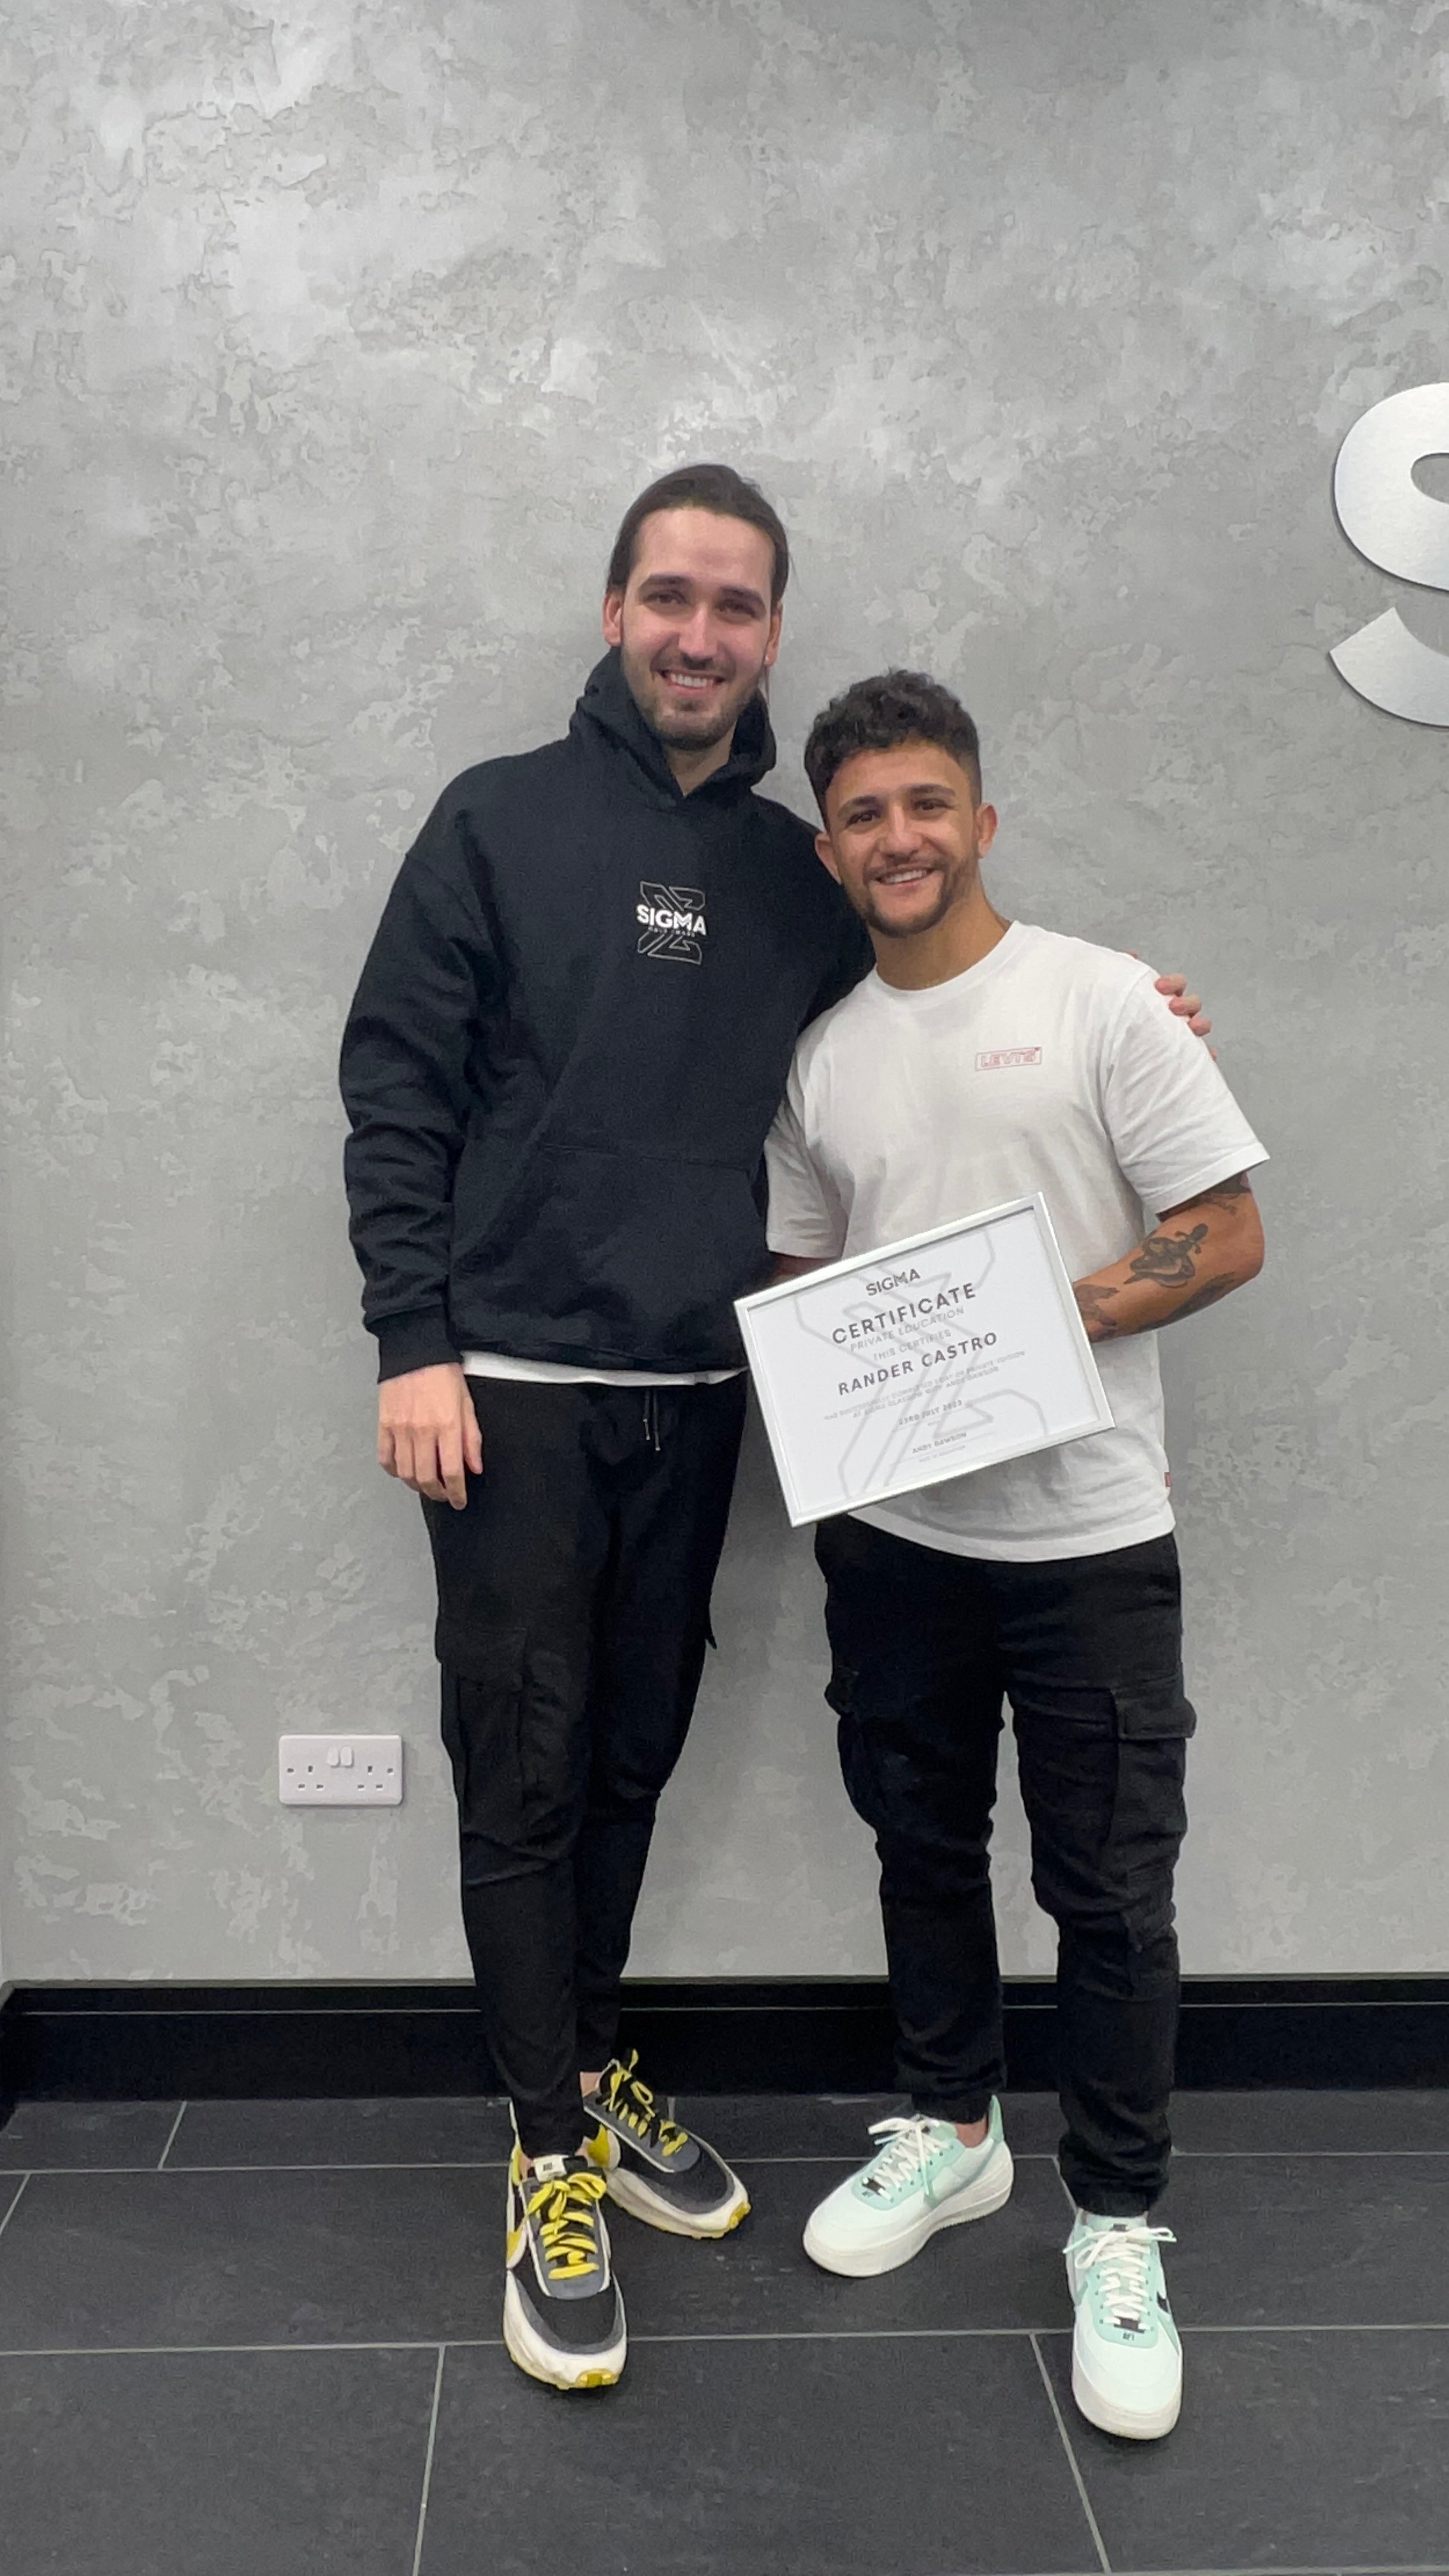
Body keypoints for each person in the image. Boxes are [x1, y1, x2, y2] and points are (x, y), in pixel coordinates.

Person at [340, 470, 1215, 2395]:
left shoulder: (791, 874)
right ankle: (546, 2156)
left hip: (706, 1405)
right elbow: (394, 1085)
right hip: (503, 1400)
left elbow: (931, 1001)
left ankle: (581, 2057)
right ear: (612, 612)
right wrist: (414, 1336)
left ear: (766, 636)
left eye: (735, 606)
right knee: (528, 1773)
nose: (697, 632)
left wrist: (1135, 1014)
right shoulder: (492, 819)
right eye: (668, 595)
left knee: (634, 1757)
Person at [764, 669, 1266, 2443]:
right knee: (917, 1840)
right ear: (826, 848)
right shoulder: (821, 1059)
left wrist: (1038, 1327)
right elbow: (813, 1283)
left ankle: (1117, 2228)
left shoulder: (1105, 1000)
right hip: (897, 1542)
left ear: (980, 818)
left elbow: (1224, 1233)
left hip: (1087, 1541)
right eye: (860, 815)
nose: (896, 838)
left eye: (925, 803)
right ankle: (952, 2130)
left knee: (1109, 1895)